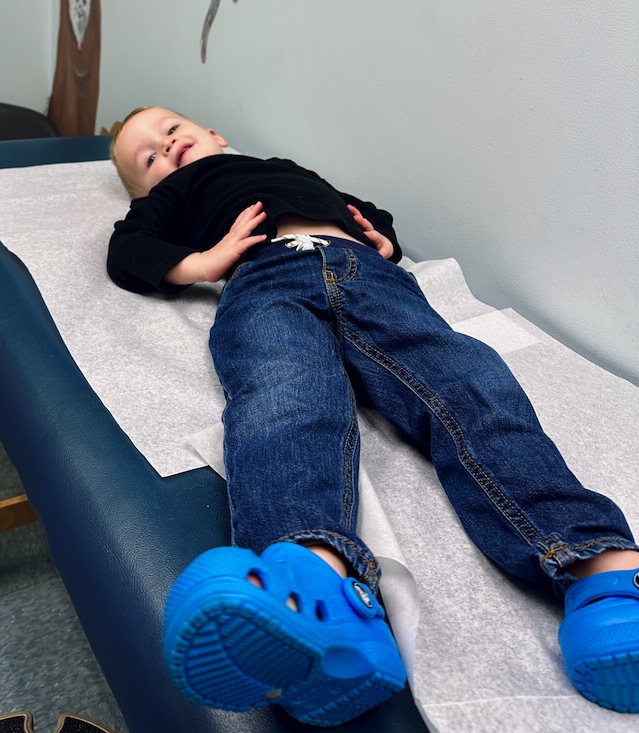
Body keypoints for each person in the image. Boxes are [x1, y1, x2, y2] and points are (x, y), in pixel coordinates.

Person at [106, 106, 639, 727]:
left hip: (369, 274)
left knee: (466, 387)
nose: (167, 146)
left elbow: (362, 210)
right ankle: (313, 590)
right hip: (262, 278)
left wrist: (383, 238)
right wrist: (200, 264)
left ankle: (603, 571)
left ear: (215, 135)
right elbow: (128, 251)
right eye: (149, 157)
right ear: (147, 188)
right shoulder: (176, 195)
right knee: (284, 400)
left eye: (172, 128)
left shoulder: (281, 169)